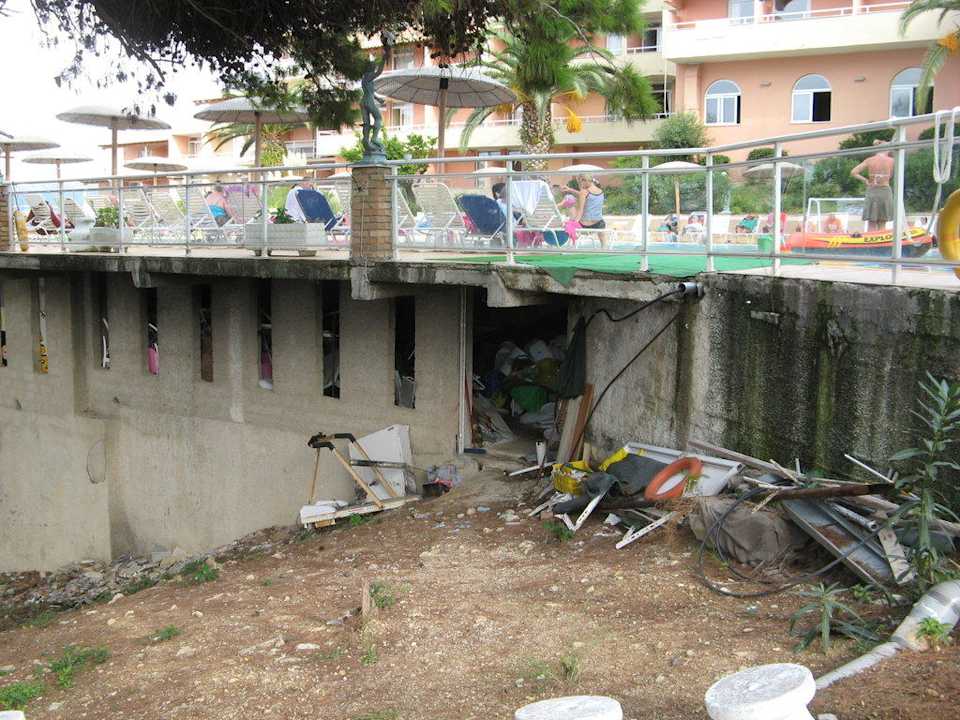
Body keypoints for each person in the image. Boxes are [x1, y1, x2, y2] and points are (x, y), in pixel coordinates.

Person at [851, 142, 895, 232]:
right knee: (883, 221)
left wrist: (865, 180)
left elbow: (853, 172)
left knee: (871, 222)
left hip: (872, 190)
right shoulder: (892, 161)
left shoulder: (870, 160)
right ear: (887, 149)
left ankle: (870, 243)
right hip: (885, 191)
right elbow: (891, 176)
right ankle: (881, 244)